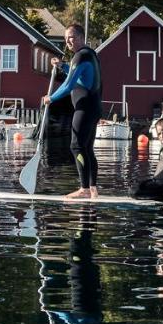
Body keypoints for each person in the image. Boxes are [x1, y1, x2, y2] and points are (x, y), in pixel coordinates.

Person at [43, 24, 102, 199]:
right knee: (87, 148)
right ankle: (92, 189)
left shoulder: (79, 56)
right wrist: (62, 66)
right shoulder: (90, 54)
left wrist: (51, 98)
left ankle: (83, 189)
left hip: (85, 108)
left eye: (72, 37)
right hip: (94, 107)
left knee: (76, 146)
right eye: (66, 38)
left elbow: (69, 85)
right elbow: (79, 78)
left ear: (82, 37)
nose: (68, 41)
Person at [134, 117, 163, 203]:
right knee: (139, 185)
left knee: (135, 192)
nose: (161, 136)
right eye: (159, 134)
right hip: (158, 183)